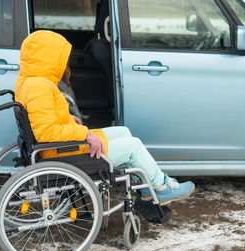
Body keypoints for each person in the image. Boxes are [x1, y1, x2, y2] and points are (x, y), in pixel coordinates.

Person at [15, 30, 195, 206]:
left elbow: (44, 117)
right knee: (134, 146)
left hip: (62, 146)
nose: (65, 61)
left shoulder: (31, 81)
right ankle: (161, 186)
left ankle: (147, 185)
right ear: (48, 57)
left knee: (123, 131)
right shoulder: (40, 87)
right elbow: (46, 132)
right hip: (63, 152)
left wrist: (68, 117)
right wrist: (85, 134)